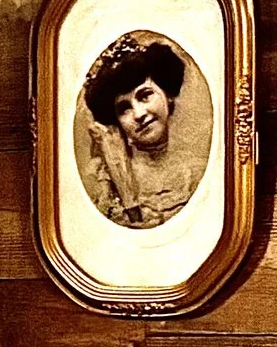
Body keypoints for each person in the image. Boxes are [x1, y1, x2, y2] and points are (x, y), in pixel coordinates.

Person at [79, 32, 204, 228]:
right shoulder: (104, 184)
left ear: (168, 95)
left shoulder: (197, 172)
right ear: (116, 122)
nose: (138, 114)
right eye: (124, 108)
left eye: (145, 96)